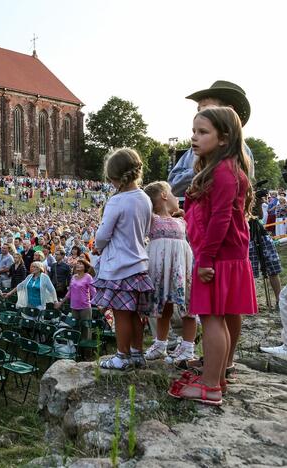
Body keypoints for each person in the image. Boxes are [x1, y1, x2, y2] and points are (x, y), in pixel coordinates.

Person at [169, 107, 257, 405]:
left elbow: (220, 219)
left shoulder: (222, 173)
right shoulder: (227, 169)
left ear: (224, 138)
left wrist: (205, 260)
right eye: (194, 131)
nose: (194, 137)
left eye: (203, 132)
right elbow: (216, 213)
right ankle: (216, 377)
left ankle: (210, 387)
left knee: (212, 319)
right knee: (216, 318)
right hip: (225, 254)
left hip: (216, 257)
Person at [93, 148, 153, 370]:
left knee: (121, 315)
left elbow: (102, 236)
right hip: (139, 263)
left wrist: (99, 247)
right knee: (136, 314)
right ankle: (137, 353)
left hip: (119, 265)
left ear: (114, 178)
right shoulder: (145, 198)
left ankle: (122, 356)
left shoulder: (117, 201)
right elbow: (147, 228)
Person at [141, 181, 196, 363]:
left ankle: (188, 347)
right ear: (164, 196)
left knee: (188, 308)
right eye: (172, 193)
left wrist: (182, 215)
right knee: (163, 308)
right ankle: (161, 343)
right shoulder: (152, 219)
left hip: (181, 267)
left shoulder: (182, 220)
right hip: (162, 270)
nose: (176, 198)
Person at [56, 259, 96, 324]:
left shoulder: (88, 277)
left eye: (80, 263)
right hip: (74, 306)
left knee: (85, 329)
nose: (78, 264)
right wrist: (61, 303)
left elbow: (93, 291)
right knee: (75, 329)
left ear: (85, 267)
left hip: (85, 307)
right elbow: (69, 292)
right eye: (77, 263)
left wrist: (99, 304)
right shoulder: (73, 277)